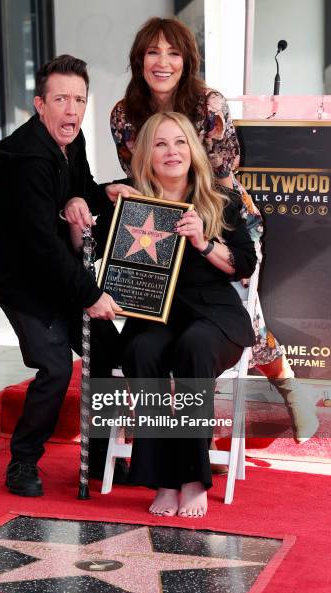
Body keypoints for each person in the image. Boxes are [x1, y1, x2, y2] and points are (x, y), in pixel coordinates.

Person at [109, 16, 318, 443]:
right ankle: (164, 423)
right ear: (139, 60)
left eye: (173, 53)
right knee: (159, 312)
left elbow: (221, 180)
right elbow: (141, 181)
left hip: (218, 212)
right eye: (153, 52)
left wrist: (206, 235)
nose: (163, 62)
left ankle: (289, 388)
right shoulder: (124, 115)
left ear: (187, 60)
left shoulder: (209, 105)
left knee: (241, 311)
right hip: (163, 219)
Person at [0, 55, 134, 497]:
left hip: (57, 271)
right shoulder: (25, 160)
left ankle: (102, 460)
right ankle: (23, 463)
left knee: (105, 347)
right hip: (23, 279)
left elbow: (78, 186)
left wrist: (100, 193)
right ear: (39, 104)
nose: (72, 110)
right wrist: (89, 295)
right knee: (53, 366)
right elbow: (42, 246)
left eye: (79, 100)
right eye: (61, 99)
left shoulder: (73, 139)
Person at [116, 111, 256, 517]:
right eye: (160, 143)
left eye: (179, 142)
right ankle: (163, 479)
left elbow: (245, 263)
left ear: (192, 150)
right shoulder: (133, 202)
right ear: (147, 154)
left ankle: (193, 477)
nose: (171, 151)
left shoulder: (219, 200)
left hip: (214, 318)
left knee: (194, 346)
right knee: (141, 350)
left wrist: (204, 243)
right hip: (157, 317)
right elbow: (101, 255)